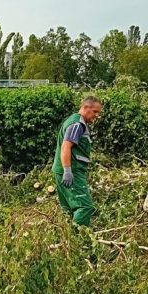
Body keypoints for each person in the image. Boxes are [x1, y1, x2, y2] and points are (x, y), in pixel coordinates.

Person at [52, 96, 102, 227]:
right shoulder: (77, 124)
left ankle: (64, 241)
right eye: (95, 111)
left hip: (63, 170)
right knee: (85, 207)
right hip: (71, 170)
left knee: (68, 208)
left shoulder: (75, 121)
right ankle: (77, 239)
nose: (97, 116)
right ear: (86, 107)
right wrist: (68, 171)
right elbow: (65, 146)